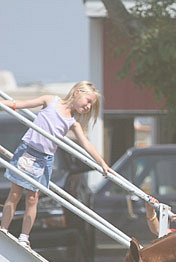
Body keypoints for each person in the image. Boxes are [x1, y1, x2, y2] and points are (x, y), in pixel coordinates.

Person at [0, 81, 110, 248]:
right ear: (77, 93)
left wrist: (102, 163)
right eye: (88, 101)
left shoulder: (73, 122)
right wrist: (3, 104)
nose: (88, 107)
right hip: (28, 151)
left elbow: (86, 144)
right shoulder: (50, 100)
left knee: (32, 198)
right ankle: (4, 230)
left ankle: (24, 236)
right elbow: (18, 104)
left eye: (91, 105)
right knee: (14, 194)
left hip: (44, 159)